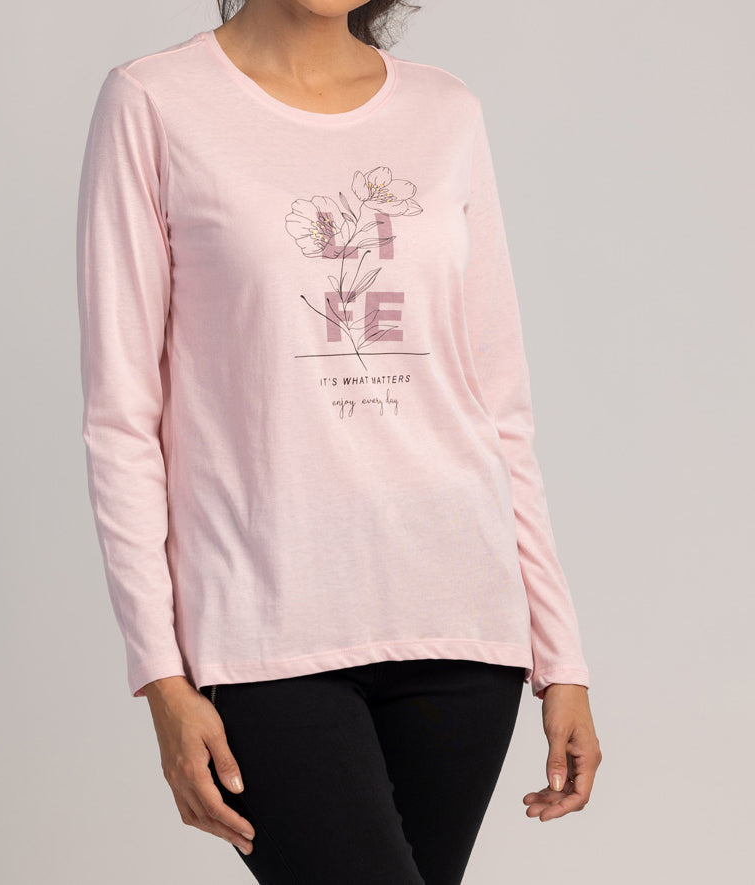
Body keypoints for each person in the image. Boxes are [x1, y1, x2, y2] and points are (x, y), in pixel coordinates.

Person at [75, 1, 603, 882]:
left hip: (459, 624)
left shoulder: (445, 109)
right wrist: (160, 675)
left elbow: (499, 407)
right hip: (263, 629)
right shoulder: (155, 100)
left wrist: (561, 657)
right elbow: (122, 419)